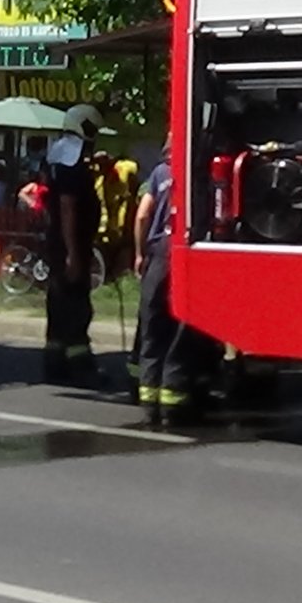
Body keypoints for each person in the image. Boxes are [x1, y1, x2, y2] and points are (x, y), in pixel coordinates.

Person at [131, 135, 214, 422]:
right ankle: (173, 402)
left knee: (152, 328)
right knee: (180, 329)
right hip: (183, 253)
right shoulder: (197, 175)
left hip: (157, 255)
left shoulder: (158, 173)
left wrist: (140, 254)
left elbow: (142, 216)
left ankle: (148, 403)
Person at [42, 103, 104, 386]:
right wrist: (73, 254)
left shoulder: (59, 156)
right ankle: (82, 369)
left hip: (56, 244)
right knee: (77, 307)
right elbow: (68, 207)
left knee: (58, 306)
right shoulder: (72, 163)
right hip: (69, 246)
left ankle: (55, 365)